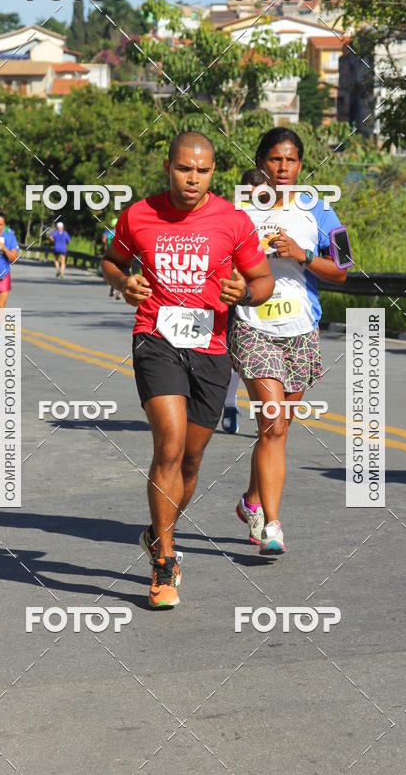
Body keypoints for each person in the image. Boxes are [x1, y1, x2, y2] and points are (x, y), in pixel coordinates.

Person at [101, 131, 274, 609]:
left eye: (201, 170)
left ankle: (160, 534)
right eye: (183, 168)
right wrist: (125, 282)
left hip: (211, 348)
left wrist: (247, 294)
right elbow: (111, 262)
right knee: (170, 444)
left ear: (212, 172)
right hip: (155, 339)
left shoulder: (233, 221)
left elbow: (262, 280)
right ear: (167, 166)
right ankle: (164, 565)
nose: (191, 178)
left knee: (192, 460)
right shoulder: (138, 214)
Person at [230, 127, 347, 554]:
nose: (283, 168)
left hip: (301, 328)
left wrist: (302, 255)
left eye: (291, 160)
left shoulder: (319, 210)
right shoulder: (238, 211)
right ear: (261, 161)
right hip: (251, 325)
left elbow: (343, 269)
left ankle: (252, 499)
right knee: (273, 425)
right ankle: (272, 526)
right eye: (275, 160)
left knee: (276, 430)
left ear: (301, 164)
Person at [221, 168, 268, 435]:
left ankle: (268, 418)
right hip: (233, 293)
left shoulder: (280, 217)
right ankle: (228, 402)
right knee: (234, 355)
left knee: (260, 359)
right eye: (250, 193)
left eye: (260, 194)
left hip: (267, 294)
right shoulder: (231, 216)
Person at [103, 219, 121, 299]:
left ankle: (112, 289)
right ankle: (118, 293)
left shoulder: (108, 233)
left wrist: (106, 246)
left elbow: (104, 240)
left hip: (111, 254)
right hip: (120, 254)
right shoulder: (121, 233)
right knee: (121, 272)